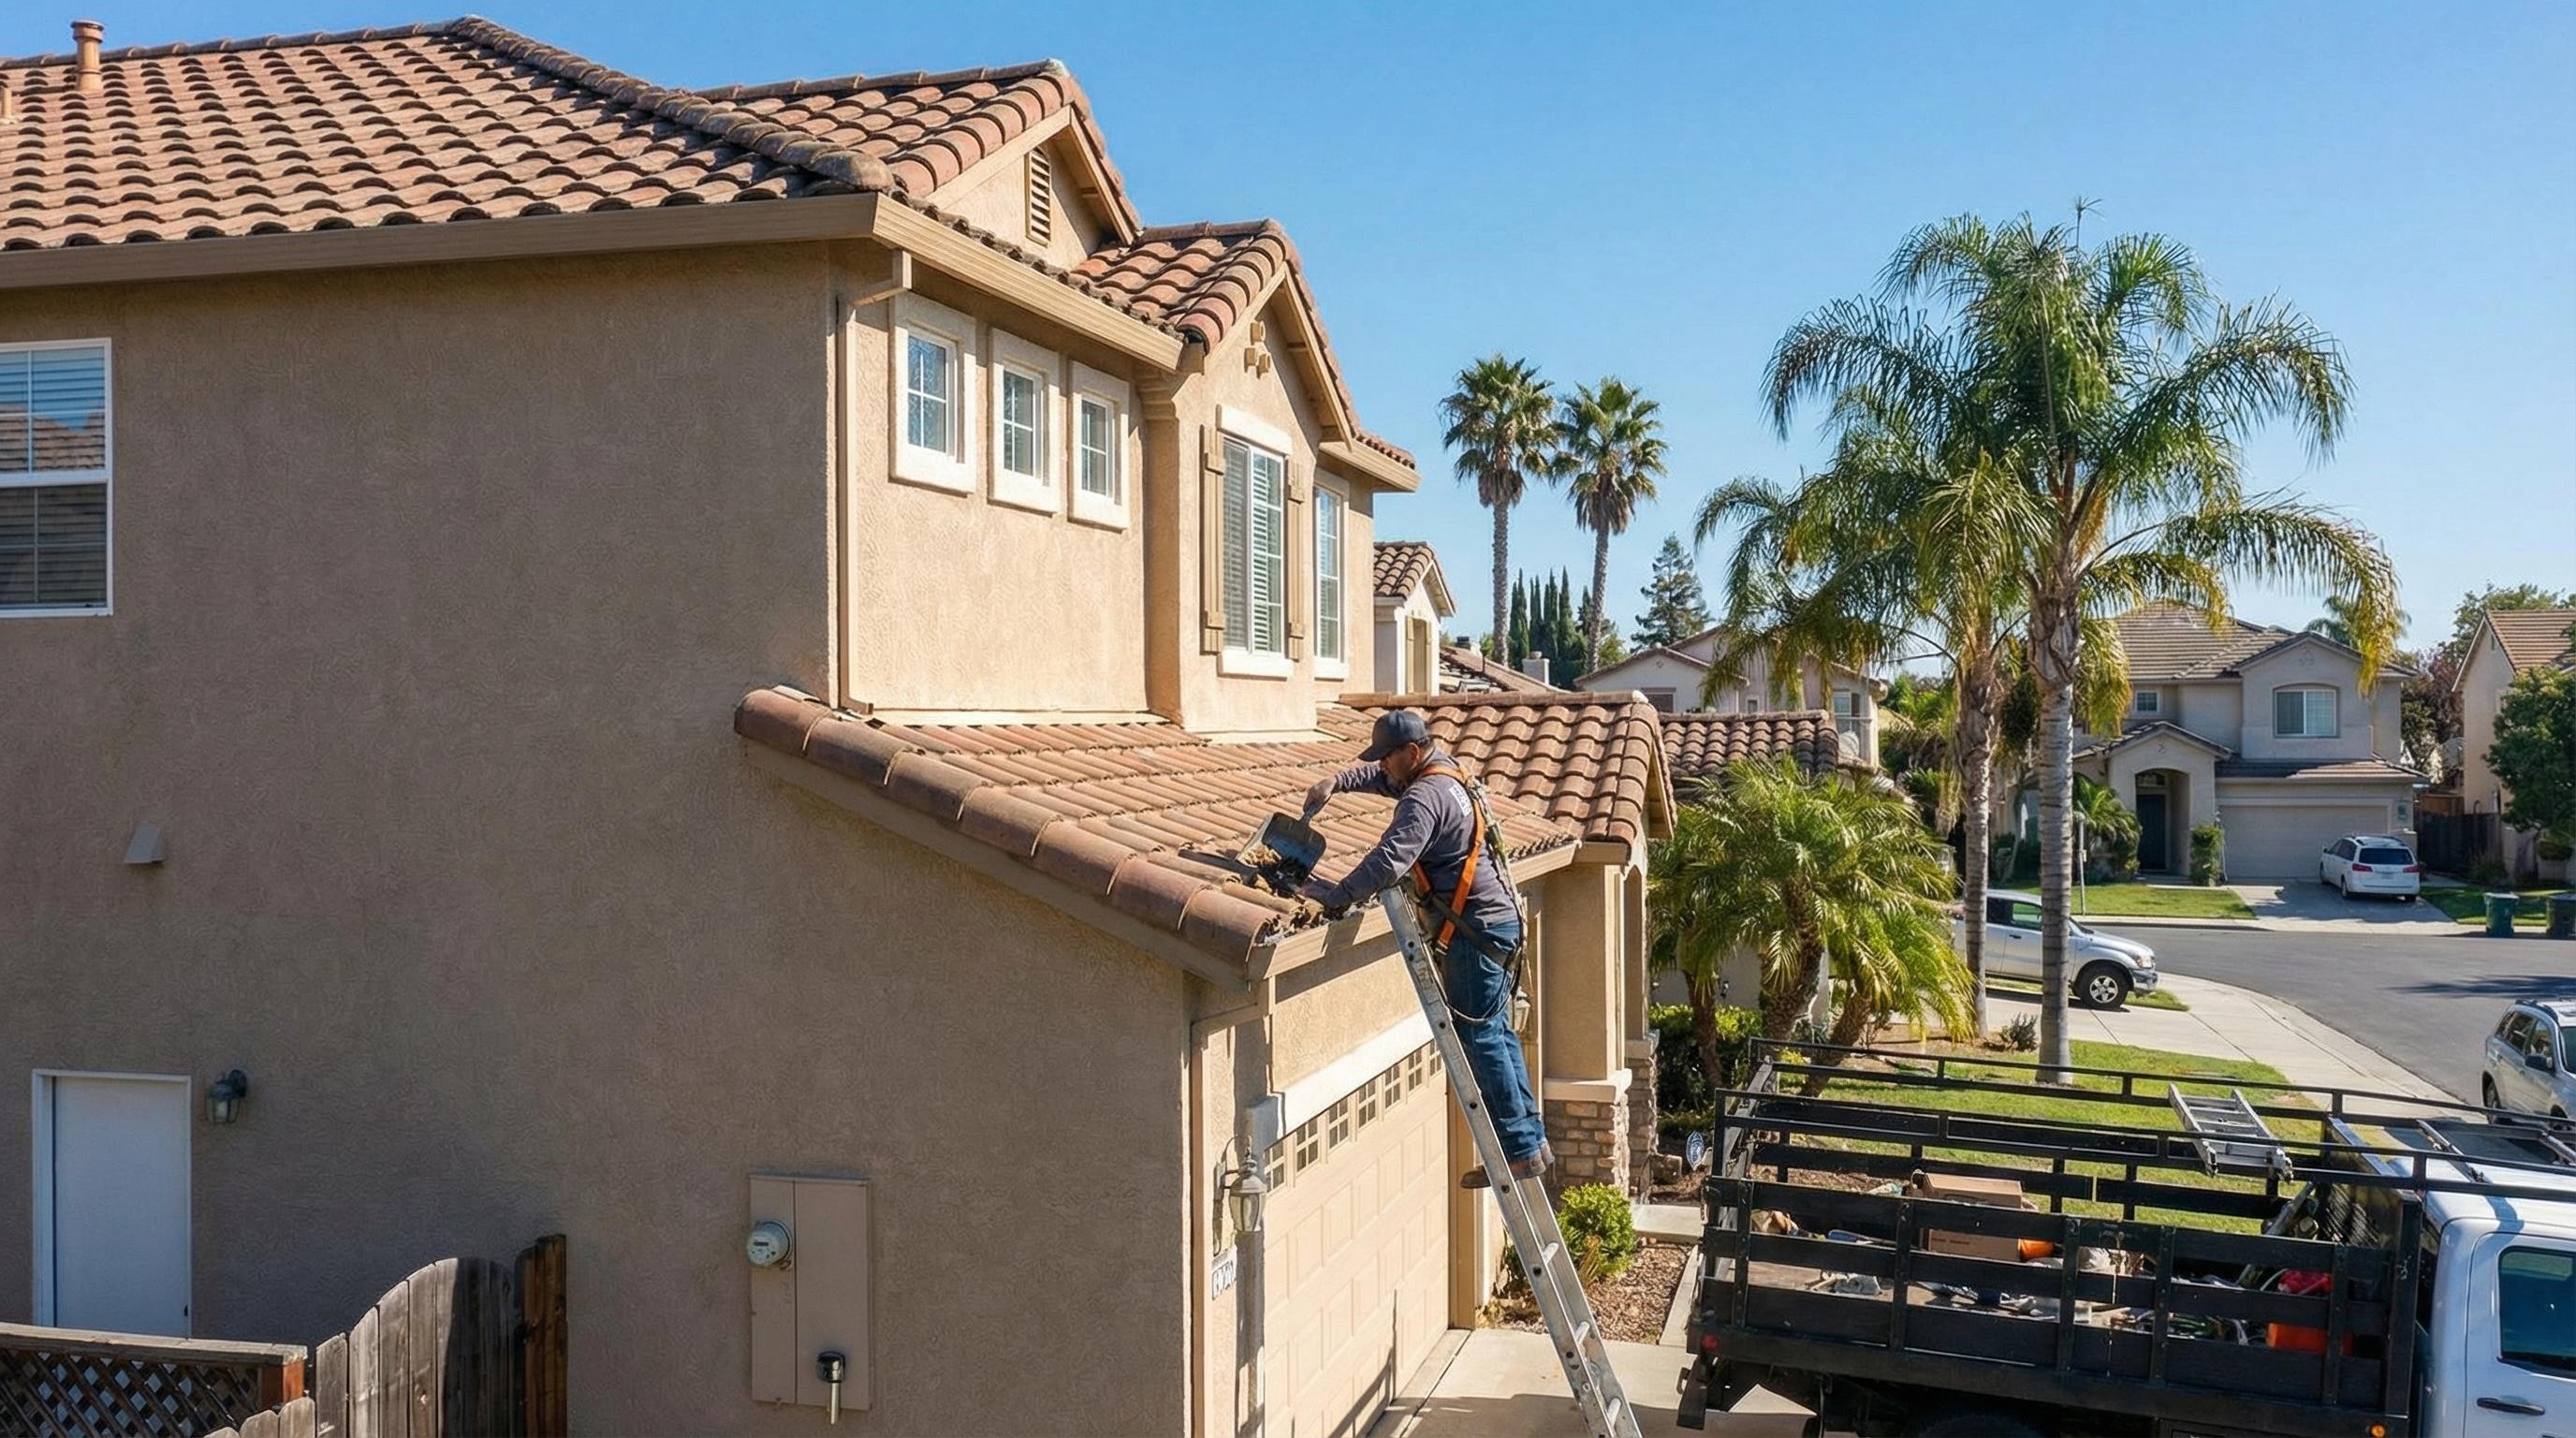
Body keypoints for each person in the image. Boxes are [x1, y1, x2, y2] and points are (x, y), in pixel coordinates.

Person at [1299, 709, 1553, 1185]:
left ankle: (1518, 1150)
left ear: (1412, 752)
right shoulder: (1446, 772)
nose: (1383, 768)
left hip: (1473, 931)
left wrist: (1336, 897)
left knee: (1480, 1038)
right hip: (1496, 924)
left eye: (1388, 759)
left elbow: (1389, 860)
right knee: (1497, 1035)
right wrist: (1338, 781)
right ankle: (1530, 1142)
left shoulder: (1423, 798)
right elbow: (1381, 779)